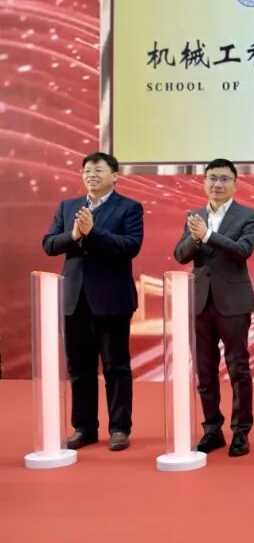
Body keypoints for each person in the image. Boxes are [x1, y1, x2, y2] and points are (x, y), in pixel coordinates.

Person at [42, 152, 143, 451]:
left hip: (112, 300)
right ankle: (84, 428)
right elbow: (49, 244)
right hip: (74, 300)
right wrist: (73, 235)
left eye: (98, 170)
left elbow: (130, 246)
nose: (91, 175)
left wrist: (93, 233)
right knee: (79, 368)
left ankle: (119, 428)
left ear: (115, 176)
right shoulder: (68, 206)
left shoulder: (129, 208)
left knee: (116, 367)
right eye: (87, 170)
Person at [173, 158, 254, 457]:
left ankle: (240, 431)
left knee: (238, 368)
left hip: (233, 302)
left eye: (224, 179)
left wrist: (208, 235)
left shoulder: (249, 215)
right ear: (204, 183)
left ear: (235, 184)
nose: (217, 184)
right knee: (205, 371)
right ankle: (212, 429)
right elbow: (180, 255)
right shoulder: (194, 215)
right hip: (199, 302)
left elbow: (243, 250)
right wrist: (195, 239)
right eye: (212, 178)